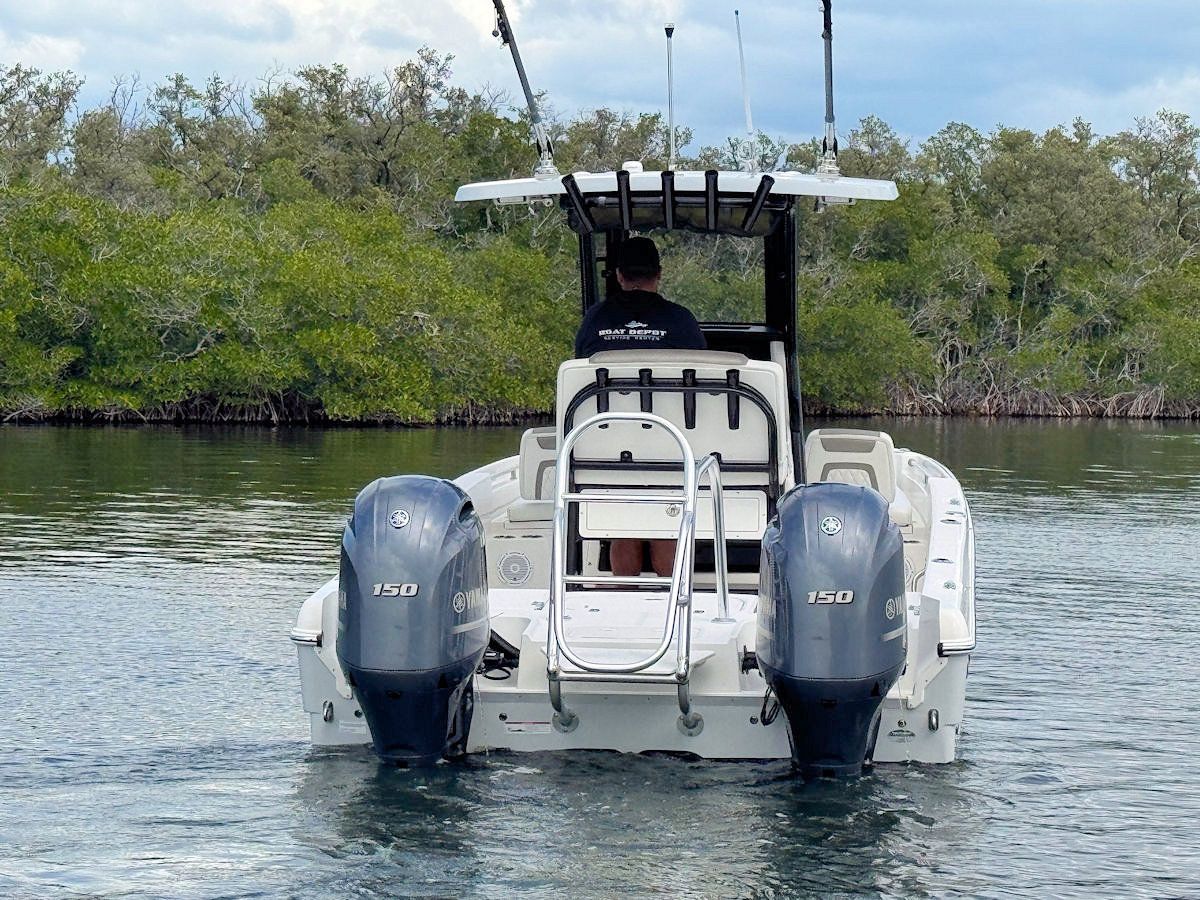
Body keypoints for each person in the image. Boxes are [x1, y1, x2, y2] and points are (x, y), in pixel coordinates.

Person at [573, 236, 706, 578]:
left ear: (618, 276)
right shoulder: (682, 321)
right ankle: (672, 593)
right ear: (658, 274)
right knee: (665, 516)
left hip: (604, 446)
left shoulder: (593, 321)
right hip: (671, 444)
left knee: (624, 519)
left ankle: (625, 592)